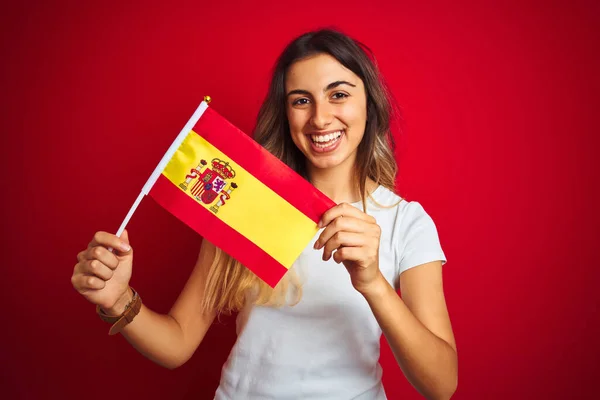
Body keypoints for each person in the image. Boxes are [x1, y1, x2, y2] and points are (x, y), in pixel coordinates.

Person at [71, 29, 457, 400]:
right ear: (287, 114)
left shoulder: (405, 222)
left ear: (369, 105)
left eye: (338, 95)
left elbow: (441, 385)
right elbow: (177, 342)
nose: (320, 119)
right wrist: (118, 300)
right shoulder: (246, 202)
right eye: (301, 100)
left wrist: (372, 282)